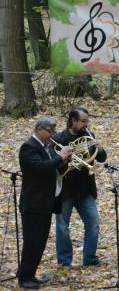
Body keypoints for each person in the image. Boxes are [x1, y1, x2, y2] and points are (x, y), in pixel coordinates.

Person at [18, 117, 72, 289]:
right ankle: (24, 277)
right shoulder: (28, 148)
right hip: (33, 205)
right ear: (39, 129)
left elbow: (53, 170)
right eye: (50, 131)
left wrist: (64, 161)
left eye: (53, 132)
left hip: (45, 204)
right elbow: (40, 168)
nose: (52, 135)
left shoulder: (46, 147)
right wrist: (60, 157)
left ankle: (31, 275)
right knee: (32, 242)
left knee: (40, 242)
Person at [53, 107, 107, 267]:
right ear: (73, 121)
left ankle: (89, 258)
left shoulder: (89, 136)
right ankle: (64, 261)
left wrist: (101, 148)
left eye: (87, 120)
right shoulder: (59, 138)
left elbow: (102, 158)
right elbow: (53, 166)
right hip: (65, 190)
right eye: (83, 121)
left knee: (94, 222)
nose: (86, 124)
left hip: (85, 189)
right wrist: (64, 158)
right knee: (62, 227)